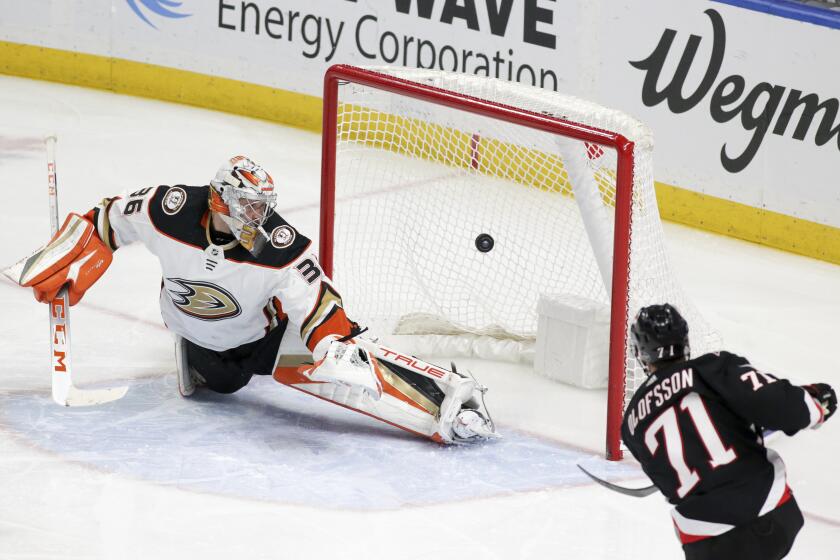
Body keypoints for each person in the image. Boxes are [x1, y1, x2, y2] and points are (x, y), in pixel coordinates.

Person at [6, 155, 496, 444]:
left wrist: (333, 345)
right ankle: (198, 356)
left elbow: (320, 301)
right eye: (251, 206)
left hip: (261, 341)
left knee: (341, 362)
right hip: (201, 341)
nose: (261, 218)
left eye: (265, 208)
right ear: (221, 200)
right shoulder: (168, 209)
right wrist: (77, 248)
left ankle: (444, 401)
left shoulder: (281, 248)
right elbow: (109, 216)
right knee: (223, 388)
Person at [620, 303, 836, 559]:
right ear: (684, 340)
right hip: (768, 517)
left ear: (640, 352)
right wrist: (813, 402)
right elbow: (780, 405)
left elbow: (670, 480)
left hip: (707, 543)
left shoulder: (631, 425)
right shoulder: (713, 368)